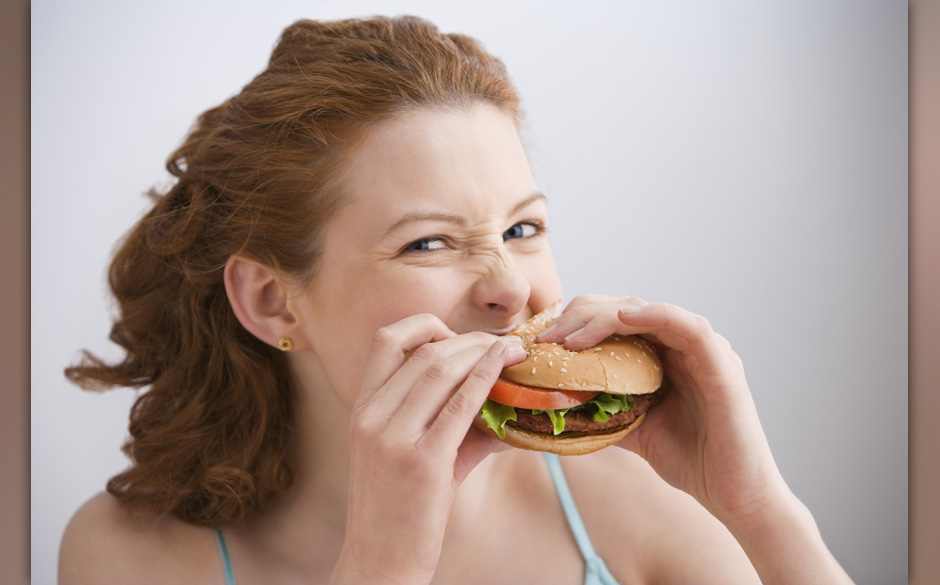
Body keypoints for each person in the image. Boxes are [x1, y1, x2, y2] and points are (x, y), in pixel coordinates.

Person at [58, 15, 855, 585]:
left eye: (523, 227)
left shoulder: (636, 498)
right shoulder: (128, 554)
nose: (512, 287)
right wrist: (384, 564)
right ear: (273, 301)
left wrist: (759, 512)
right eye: (429, 242)